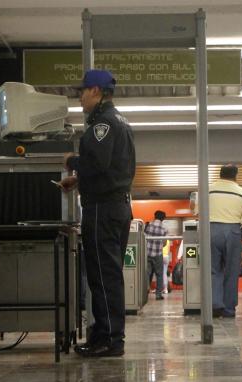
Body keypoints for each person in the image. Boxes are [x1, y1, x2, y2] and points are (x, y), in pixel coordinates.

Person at [59, 70, 135, 358]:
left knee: (103, 275)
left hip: (103, 209)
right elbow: (112, 168)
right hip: (116, 205)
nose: (80, 97)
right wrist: (79, 180)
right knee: (108, 274)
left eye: (82, 91)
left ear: (96, 91)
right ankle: (106, 335)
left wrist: (72, 162)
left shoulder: (102, 123)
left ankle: (110, 339)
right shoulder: (119, 120)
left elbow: (99, 164)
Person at [209, 164, 242, 318]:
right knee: (231, 271)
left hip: (211, 230)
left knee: (213, 270)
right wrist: (240, 232)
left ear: (220, 174)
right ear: (236, 175)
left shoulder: (208, 190)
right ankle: (228, 309)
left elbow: (198, 212)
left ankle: (215, 305)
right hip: (233, 231)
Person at [145, 210, 168, 300]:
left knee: (147, 273)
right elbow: (165, 242)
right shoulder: (164, 228)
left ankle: (145, 291)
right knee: (159, 275)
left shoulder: (148, 225)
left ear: (155, 216)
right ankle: (158, 295)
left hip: (147, 253)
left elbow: (144, 238)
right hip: (158, 254)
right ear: (163, 218)